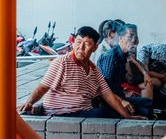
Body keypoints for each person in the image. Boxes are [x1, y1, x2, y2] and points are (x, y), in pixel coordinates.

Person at [17, 26, 146, 120]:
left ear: (95, 47)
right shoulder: (62, 62)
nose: (81, 47)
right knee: (104, 113)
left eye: (87, 44)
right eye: (78, 42)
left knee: (141, 104)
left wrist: (128, 117)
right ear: (73, 42)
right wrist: (29, 103)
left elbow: (107, 94)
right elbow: (42, 87)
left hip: (82, 112)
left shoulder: (93, 69)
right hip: (62, 115)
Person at [97, 24, 153, 118]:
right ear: (121, 38)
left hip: (120, 96)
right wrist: (121, 101)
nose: (134, 40)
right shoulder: (110, 56)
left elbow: (134, 61)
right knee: (145, 110)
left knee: (148, 103)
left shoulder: (124, 54)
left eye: (136, 36)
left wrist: (145, 74)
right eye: (130, 36)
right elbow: (103, 88)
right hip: (110, 101)